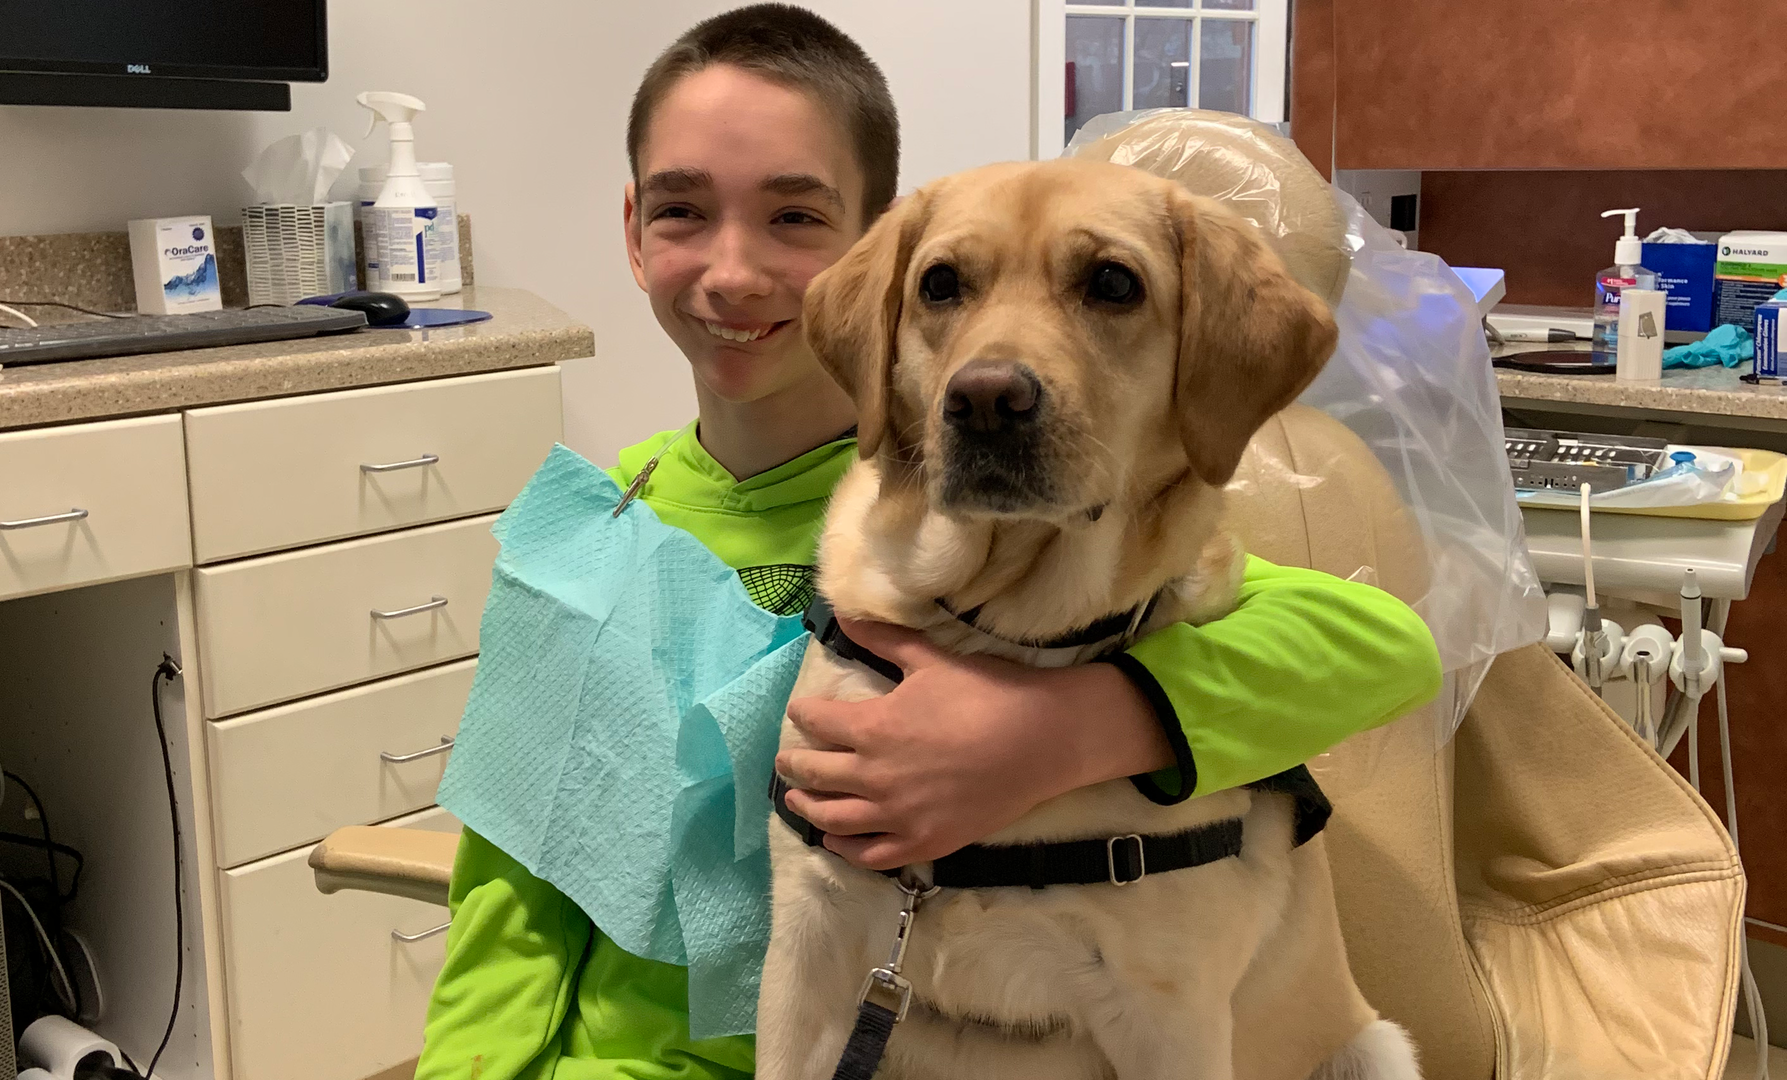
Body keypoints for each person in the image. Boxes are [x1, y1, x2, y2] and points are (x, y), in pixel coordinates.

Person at [416, 6, 1442, 1078]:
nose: (733, 271)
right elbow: (509, 889)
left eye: (796, 218)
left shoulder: (1064, 550)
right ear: (633, 231)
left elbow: (1377, 645)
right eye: (682, 211)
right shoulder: (589, 534)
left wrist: (1069, 726)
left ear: (869, 244)